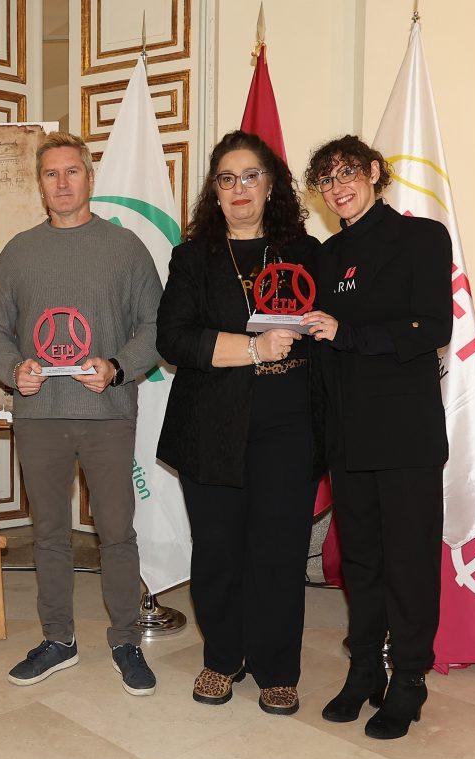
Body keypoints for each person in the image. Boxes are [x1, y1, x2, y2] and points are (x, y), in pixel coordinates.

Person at [0, 131, 162, 696]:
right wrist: (14, 370)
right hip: (40, 415)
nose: (62, 183)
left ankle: (126, 641)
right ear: (40, 184)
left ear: (89, 177)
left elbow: (156, 325)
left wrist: (117, 366)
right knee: (49, 532)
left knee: (116, 531)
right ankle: (58, 639)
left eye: (72, 172)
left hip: (107, 413)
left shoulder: (124, 248)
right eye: (51, 174)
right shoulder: (19, 252)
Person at [155, 130, 323, 716]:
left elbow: (329, 333)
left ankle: (277, 668)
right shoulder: (193, 258)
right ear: (215, 191)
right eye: (227, 179)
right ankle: (223, 658)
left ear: (271, 184)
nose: (239, 188)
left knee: (279, 552)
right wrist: (252, 349)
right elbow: (174, 339)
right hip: (211, 427)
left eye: (251, 176)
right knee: (218, 551)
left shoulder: (305, 252)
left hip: (289, 428)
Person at [301, 135, 452, 740]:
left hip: (405, 434)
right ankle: (364, 668)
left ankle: (410, 678)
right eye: (326, 179)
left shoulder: (422, 238)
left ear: (373, 172)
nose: (338, 187)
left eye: (347, 173)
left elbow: (431, 327)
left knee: (409, 563)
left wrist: (348, 334)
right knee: (359, 562)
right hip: (348, 434)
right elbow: (321, 351)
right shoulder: (326, 256)